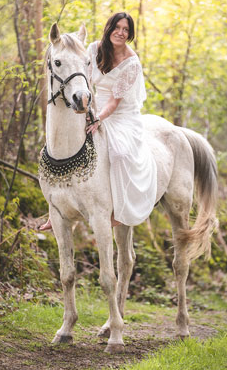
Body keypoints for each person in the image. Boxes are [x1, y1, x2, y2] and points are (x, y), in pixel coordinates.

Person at [40, 12, 157, 230]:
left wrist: (97, 118)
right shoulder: (93, 49)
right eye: (118, 27)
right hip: (93, 104)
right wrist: (87, 109)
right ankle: (54, 210)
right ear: (109, 27)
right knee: (59, 144)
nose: (121, 33)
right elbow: (83, 80)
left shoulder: (131, 63)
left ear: (130, 35)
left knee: (120, 153)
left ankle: (118, 209)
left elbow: (114, 102)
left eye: (126, 30)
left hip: (121, 115)